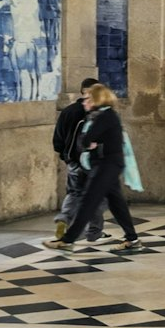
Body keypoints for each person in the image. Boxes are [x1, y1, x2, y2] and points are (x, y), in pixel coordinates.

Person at [43, 85, 140, 252]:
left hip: (106, 165)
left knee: (88, 201)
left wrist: (90, 142)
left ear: (97, 99)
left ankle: (67, 240)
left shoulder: (104, 116)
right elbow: (87, 141)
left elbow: (87, 139)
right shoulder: (101, 116)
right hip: (106, 164)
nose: (84, 102)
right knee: (117, 203)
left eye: (88, 99)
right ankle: (132, 238)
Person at [51, 77, 104, 243]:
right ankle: (94, 231)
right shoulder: (99, 112)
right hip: (93, 162)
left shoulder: (68, 111)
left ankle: (64, 218)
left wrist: (65, 156)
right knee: (95, 196)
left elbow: (58, 138)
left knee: (74, 193)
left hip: (73, 161)